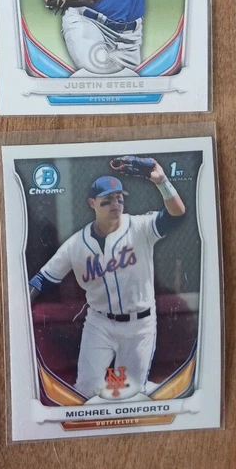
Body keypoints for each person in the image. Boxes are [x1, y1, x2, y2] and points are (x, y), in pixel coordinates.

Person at [28, 157, 185, 400]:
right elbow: (42, 279)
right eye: (108, 199)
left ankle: (149, 392)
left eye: (119, 198)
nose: (115, 203)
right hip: (99, 323)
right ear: (92, 202)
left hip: (140, 324)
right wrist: (22, 306)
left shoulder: (139, 227)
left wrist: (162, 181)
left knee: (129, 394)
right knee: (85, 390)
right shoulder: (76, 244)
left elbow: (176, 215)